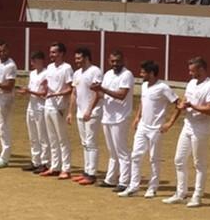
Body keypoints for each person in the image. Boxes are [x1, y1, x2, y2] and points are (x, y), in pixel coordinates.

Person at [163, 57, 210, 207]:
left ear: (201, 69)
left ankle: (197, 196)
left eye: (192, 70)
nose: (190, 73)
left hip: (201, 129)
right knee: (179, 160)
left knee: (199, 163)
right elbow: (183, 102)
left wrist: (192, 106)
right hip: (188, 126)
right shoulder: (191, 83)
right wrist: (172, 119)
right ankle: (180, 193)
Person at [120, 60, 179, 197]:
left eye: (143, 72)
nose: (140, 75)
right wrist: (137, 117)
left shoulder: (163, 87)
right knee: (135, 156)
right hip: (143, 126)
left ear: (151, 73)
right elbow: (142, 102)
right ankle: (133, 186)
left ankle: (152, 187)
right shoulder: (144, 85)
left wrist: (169, 123)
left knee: (154, 158)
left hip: (156, 129)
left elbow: (178, 103)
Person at [91, 50, 134, 191]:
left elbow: (121, 95)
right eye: (113, 61)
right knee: (112, 151)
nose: (115, 64)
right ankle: (110, 179)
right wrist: (96, 90)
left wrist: (101, 88)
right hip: (108, 116)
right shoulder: (108, 74)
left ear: (123, 61)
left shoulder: (127, 75)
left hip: (120, 117)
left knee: (121, 150)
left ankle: (124, 181)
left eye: (118, 61)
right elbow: (102, 94)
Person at [66, 47, 103, 185]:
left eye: (79, 58)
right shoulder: (77, 73)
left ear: (86, 57)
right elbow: (74, 93)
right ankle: (86, 171)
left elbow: (97, 93)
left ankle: (91, 174)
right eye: (76, 58)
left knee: (91, 143)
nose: (77, 61)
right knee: (85, 143)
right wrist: (70, 111)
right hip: (80, 112)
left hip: (92, 112)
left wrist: (89, 110)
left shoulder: (95, 71)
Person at [40, 43, 73, 179]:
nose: (51, 55)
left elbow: (70, 88)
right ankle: (55, 166)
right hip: (48, 105)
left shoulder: (67, 68)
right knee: (52, 139)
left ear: (61, 53)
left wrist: (56, 94)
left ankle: (66, 168)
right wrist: (46, 87)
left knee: (62, 139)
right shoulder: (49, 67)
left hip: (59, 106)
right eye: (51, 52)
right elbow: (49, 84)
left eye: (54, 52)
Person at [18, 51, 49, 174]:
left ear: (41, 60)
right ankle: (35, 160)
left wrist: (29, 92)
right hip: (31, 106)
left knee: (42, 136)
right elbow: (32, 90)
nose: (32, 63)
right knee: (33, 136)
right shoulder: (32, 74)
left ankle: (45, 162)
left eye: (34, 61)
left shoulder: (46, 74)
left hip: (41, 106)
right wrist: (27, 92)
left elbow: (45, 94)